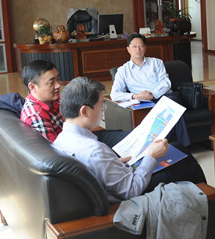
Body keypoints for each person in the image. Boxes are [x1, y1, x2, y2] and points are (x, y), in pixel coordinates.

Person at [53, 77, 206, 203]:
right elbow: (132, 191)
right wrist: (151, 156)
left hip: (116, 182)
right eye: (101, 106)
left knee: (176, 148)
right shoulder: (95, 151)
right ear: (84, 111)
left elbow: (95, 169)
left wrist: (114, 163)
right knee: (185, 159)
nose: (103, 111)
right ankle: (209, 202)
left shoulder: (61, 139)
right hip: (129, 197)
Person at [20, 59, 127, 146]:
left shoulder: (53, 99)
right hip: (77, 149)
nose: (58, 85)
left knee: (126, 137)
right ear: (32, 87)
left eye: (58, 79)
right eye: (51, 82)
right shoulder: (35, 116)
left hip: (81, 138)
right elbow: (58, 153)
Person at [110, 33, 191, 146]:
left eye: (141, 46)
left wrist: (152, 95)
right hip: (142, 101)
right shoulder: (123, 70)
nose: (138, 49)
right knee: (169, 111)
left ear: (145, 48)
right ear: (128, 49)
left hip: (164, 96)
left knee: (171, 106)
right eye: (134, 46)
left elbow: (166, 83)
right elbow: (114, 94)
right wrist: (136, 96)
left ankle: (179, 147)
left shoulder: (156, 63)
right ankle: (176, 146)